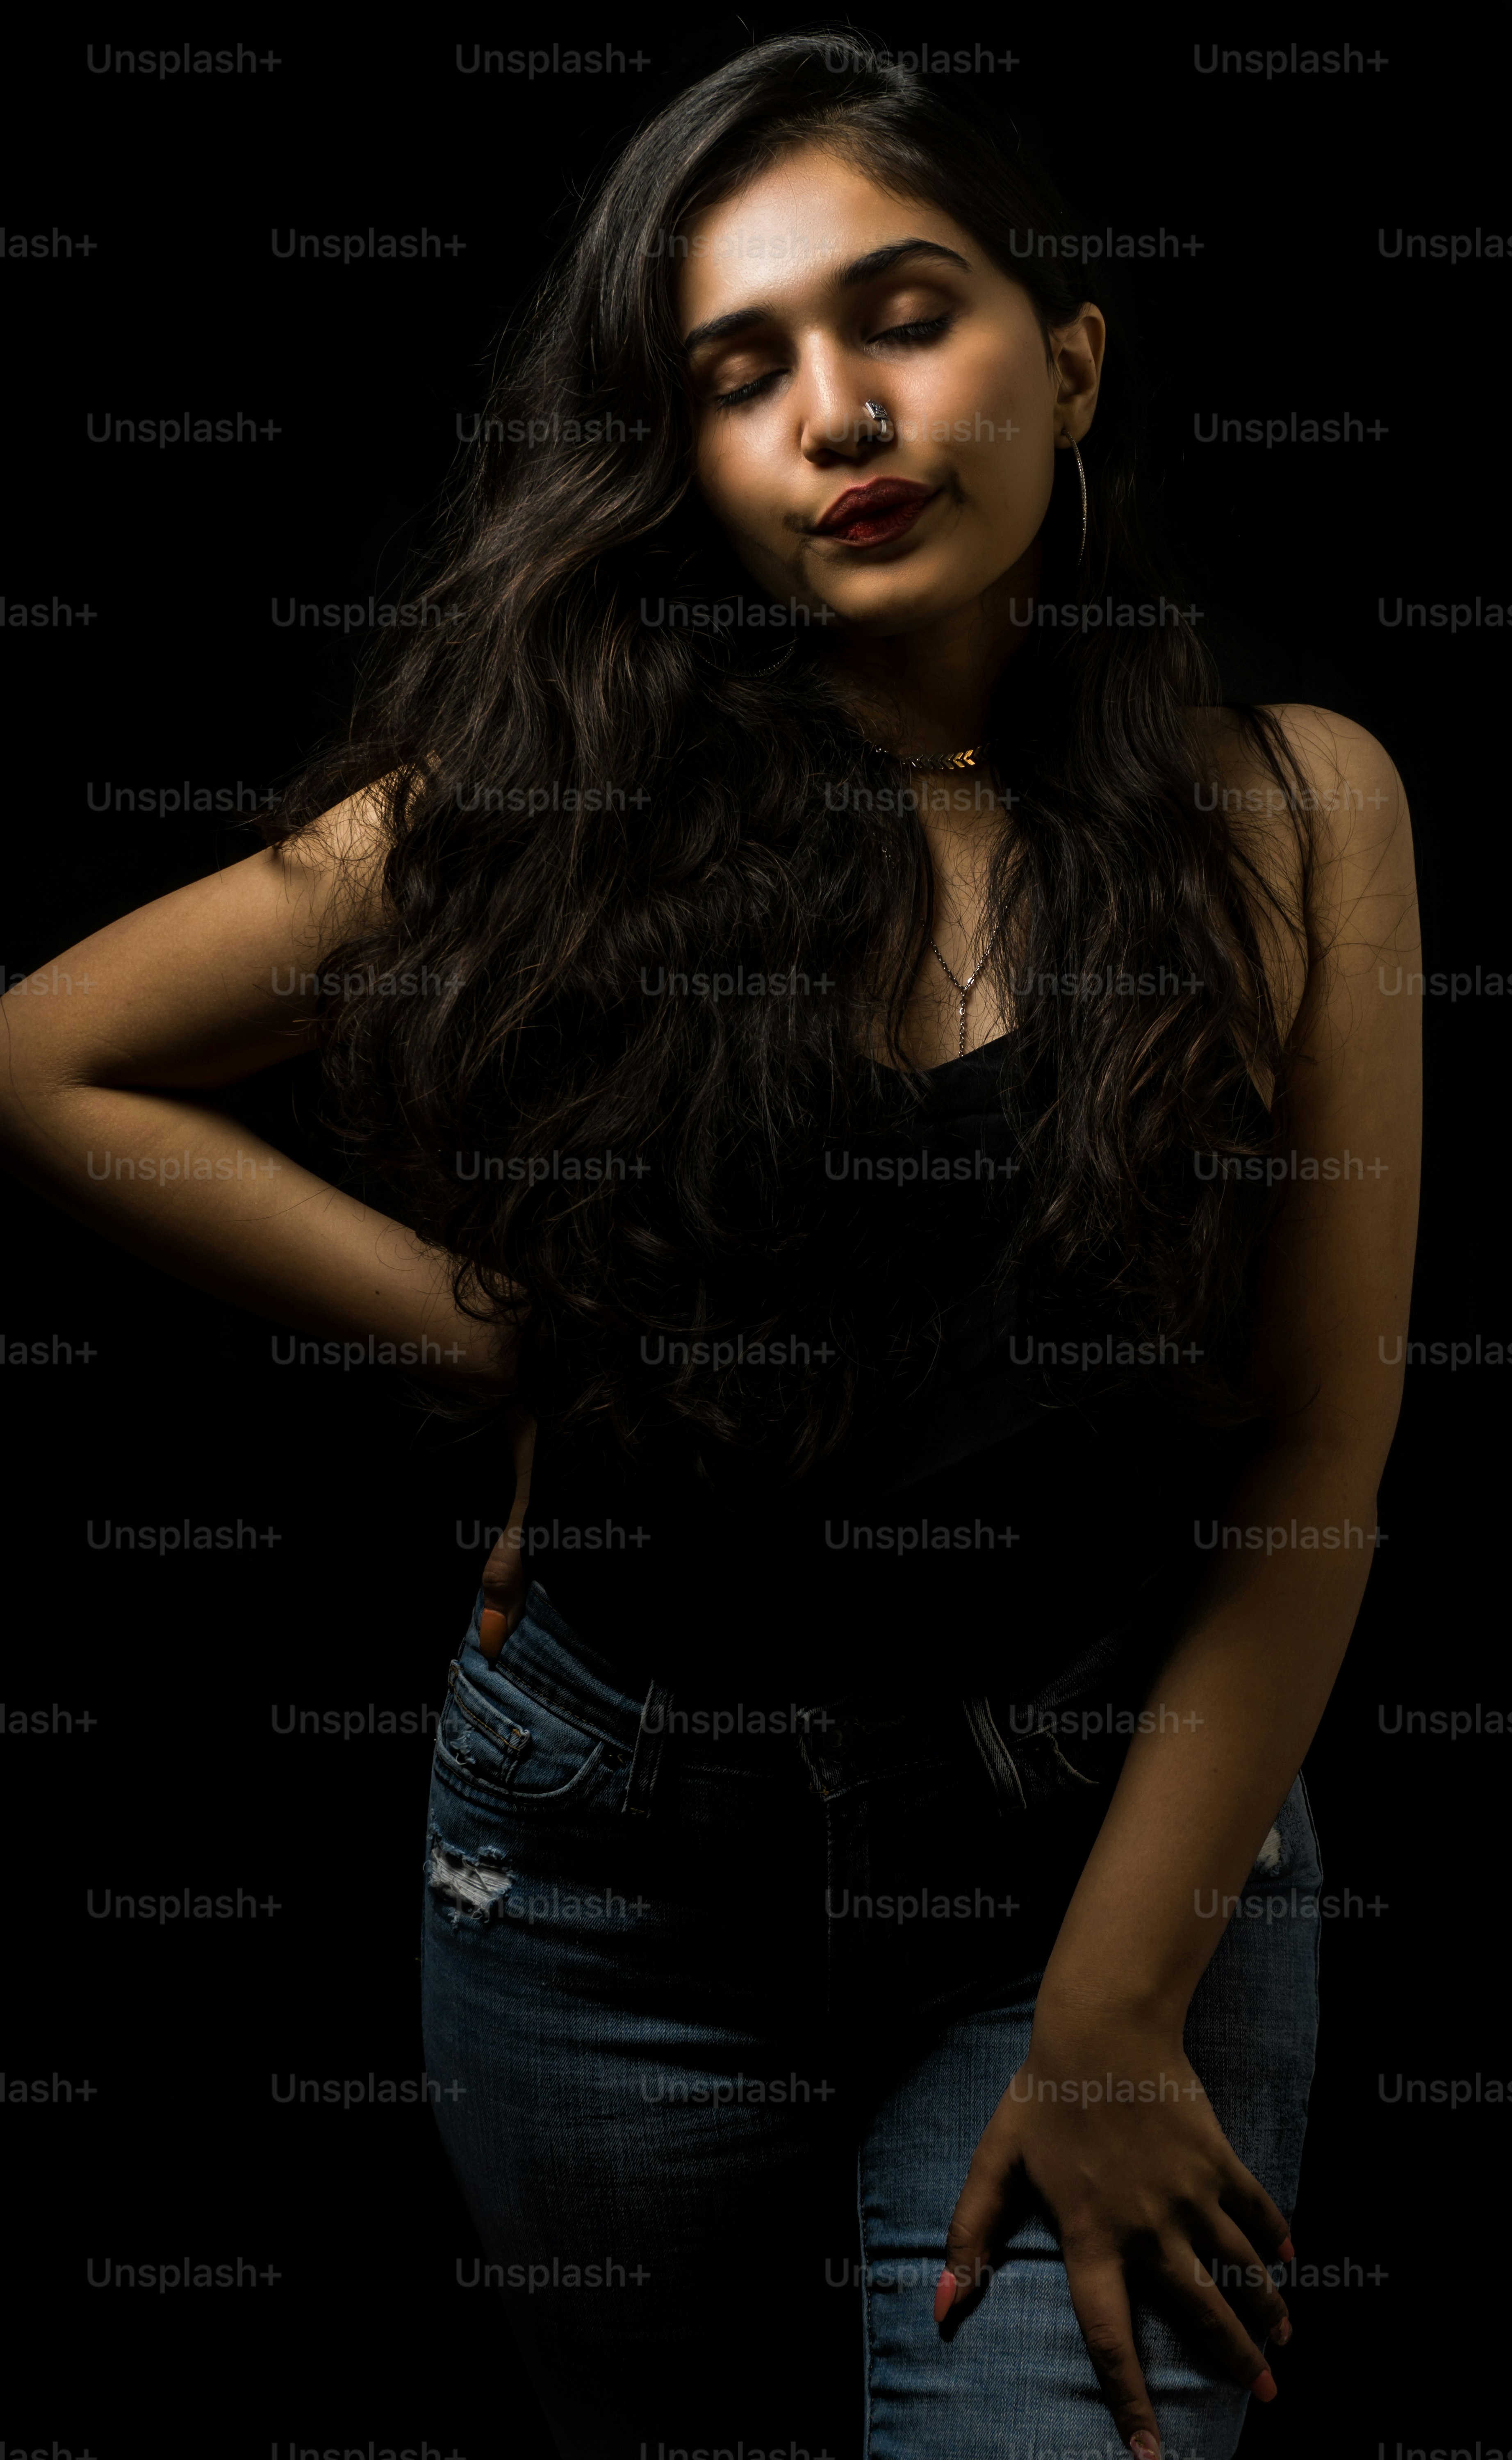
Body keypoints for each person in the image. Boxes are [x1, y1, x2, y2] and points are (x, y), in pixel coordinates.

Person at [0, 36, 1419, 2460]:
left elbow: (1309, 1449)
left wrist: (1101, 2021)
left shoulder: (1288, 811)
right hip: (602, 1886)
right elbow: (54, 1054)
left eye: (901, 315)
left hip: (1096, 1839)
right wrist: (498, 1344)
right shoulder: (556, 820)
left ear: (1067, 361)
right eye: (736, 372)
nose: (834, 413)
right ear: (685, 468)